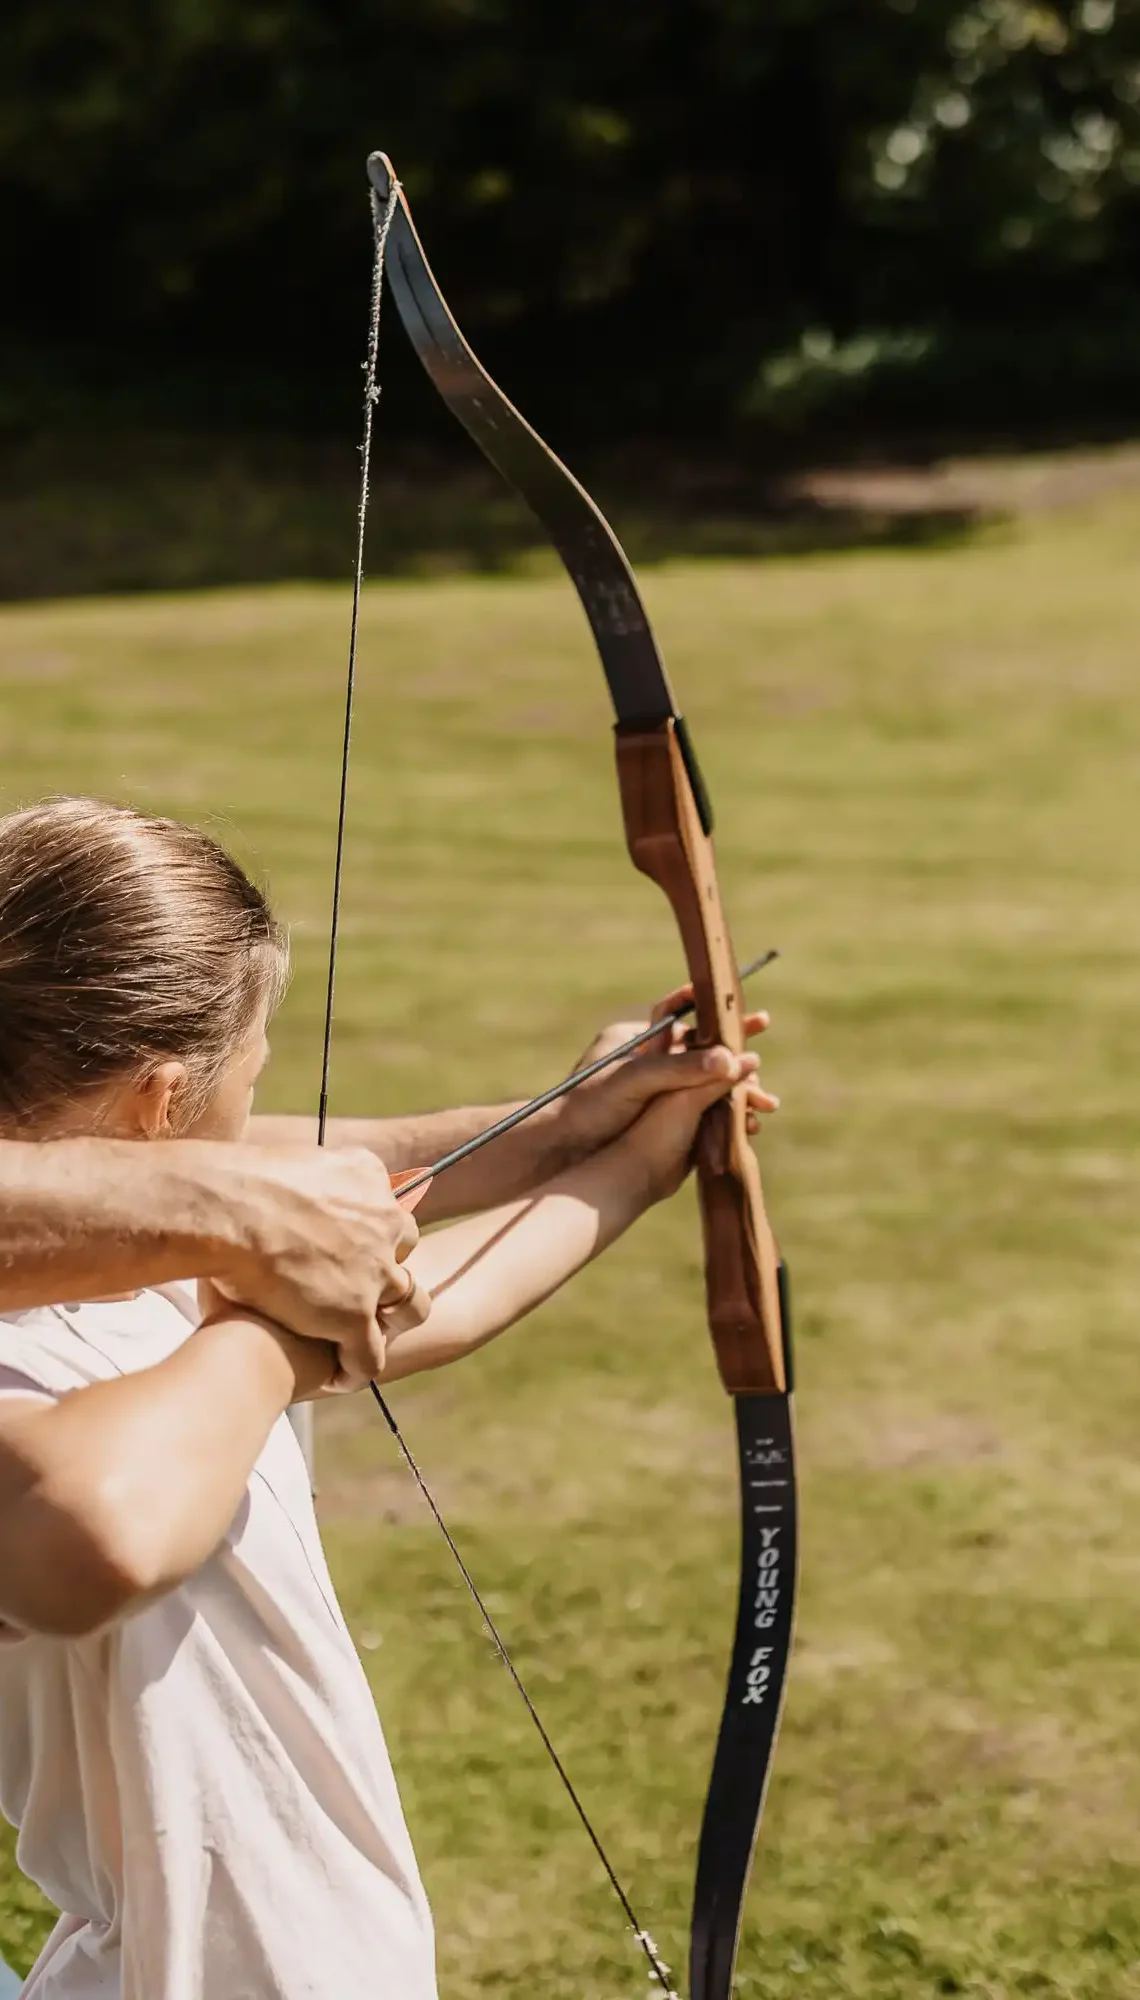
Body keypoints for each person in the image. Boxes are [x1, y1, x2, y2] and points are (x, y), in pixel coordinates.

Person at [0, 797, 776, 2000]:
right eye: (247, 1080)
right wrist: (277, 1329)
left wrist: (627, 1146)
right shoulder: (94, 1336)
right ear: (159, 1104)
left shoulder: (159, 1259)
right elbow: (95, 1524)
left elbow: (424, 1282)